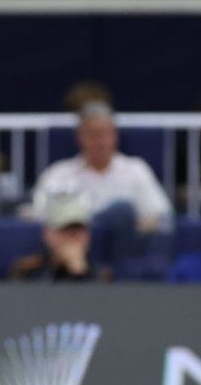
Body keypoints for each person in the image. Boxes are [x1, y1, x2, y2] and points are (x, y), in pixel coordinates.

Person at [28, 101, 172, 269]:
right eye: (94, 135)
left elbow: (161, 216)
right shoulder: (59, 174)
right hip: (73, 252)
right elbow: (37, 216)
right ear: (80, 137)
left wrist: (122, 224)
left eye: (107, 134)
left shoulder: (136, 169)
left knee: (121, 212)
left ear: (115, 136)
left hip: (122, 251)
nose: (101, 141)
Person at [6, 192, 110, 282]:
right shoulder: (26, 270)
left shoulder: (101, 275)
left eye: (78, 231)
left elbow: (102, 303)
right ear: (47, 234)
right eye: (65, 230)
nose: (72, 238)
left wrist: (79, 272)